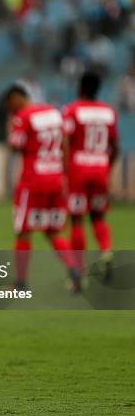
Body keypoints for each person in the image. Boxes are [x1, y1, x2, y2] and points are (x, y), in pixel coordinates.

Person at [5, 85, 81, 292]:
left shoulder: (23, 116)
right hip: (56, 180)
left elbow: (14, 145)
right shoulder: (53, 113)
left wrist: (11, 125)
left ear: (16, 98)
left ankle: (20, 283)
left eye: (9, 104)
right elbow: (65, 144)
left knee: (23, 232)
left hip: (33, 181)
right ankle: (74, 269)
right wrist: (64, 175)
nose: (10, 109)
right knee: (53, 231)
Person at [62, 72, 119, 278]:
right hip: (101, 169)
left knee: (77, 220)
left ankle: (80, 269)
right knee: (98, 216)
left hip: (79, 170)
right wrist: (106, 167)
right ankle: (106, 251)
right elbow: (115, 146)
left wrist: (65, 169)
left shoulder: (72, 110)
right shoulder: (109, 112)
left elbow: (66, 143)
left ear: (80, 87)